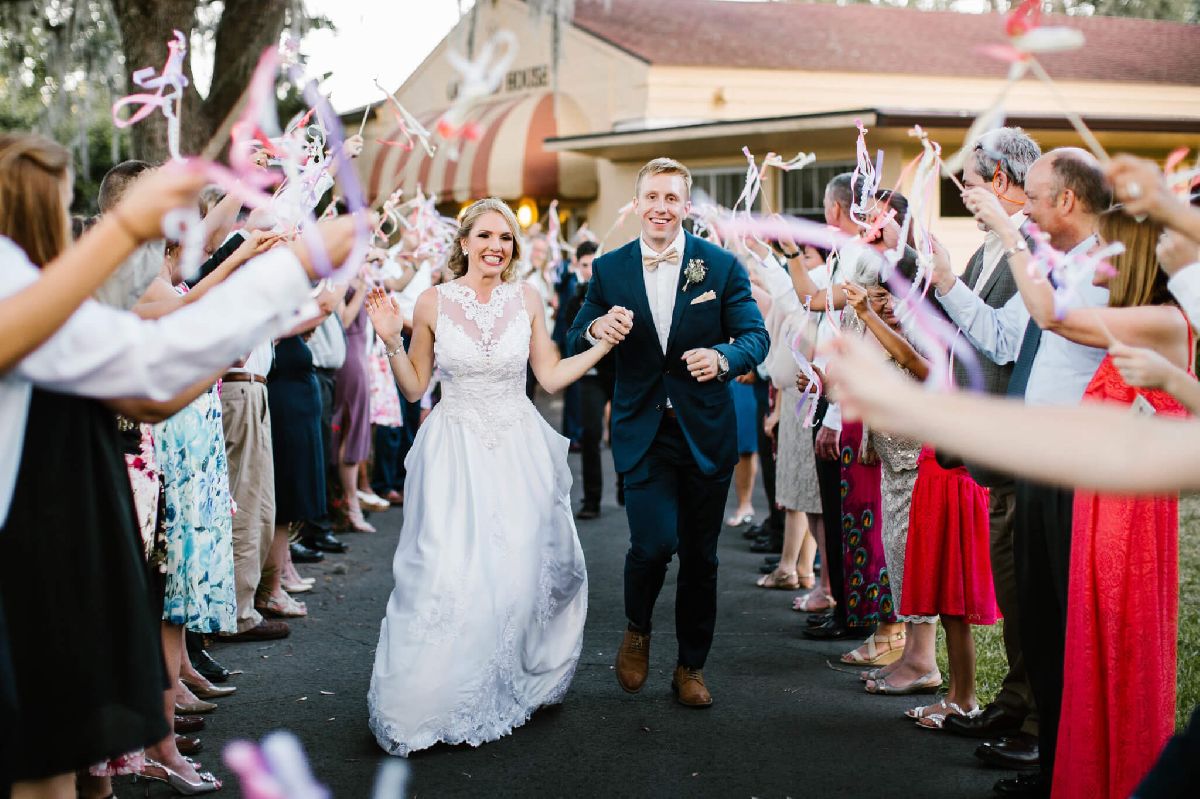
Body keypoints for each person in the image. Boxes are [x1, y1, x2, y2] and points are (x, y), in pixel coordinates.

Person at [0, 133, 356, 798]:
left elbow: (154, 382)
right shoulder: (27, 295)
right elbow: (151, 362)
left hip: (53, 541)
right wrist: (286, 268)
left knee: (45, 763)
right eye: (56, 205)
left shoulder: (50, 297)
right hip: (30, 543)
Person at [365, 198, 618, 755]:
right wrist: (390, 339)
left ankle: (507, 676)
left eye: (504, 238)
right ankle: (432, 692)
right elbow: (414, 389)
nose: (495, 246)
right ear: (464, 242)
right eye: (484, 235)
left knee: (518, 568)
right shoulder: (432, 301)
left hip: (516, 448)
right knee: (446, 568)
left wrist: (599, 347)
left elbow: (549, 376)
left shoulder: (526, 299)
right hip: (454, 451)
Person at [962, 186, 1192, 799]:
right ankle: (1069, 767)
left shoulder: (1160, 320)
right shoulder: (1144, 313)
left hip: (1122, 504)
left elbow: (1055, 316)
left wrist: (1010, 233)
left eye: (1113, 253)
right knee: (1074, 637)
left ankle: (1100, 771)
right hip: (1094, 489)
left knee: (1103, 641)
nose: (1100, 261)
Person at [931, 147, 1111, 799]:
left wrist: (1010, 235)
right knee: (1035, 612)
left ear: (1066, 201)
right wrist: (949, 276)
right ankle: (1052, 759)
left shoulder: (1102, 266)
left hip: (1068, 465)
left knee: (1058, 620)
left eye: (1033, 197)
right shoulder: (1055, 259)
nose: (1024, 208)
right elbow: (1007, 341)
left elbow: (1054, 316)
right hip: (1035, 459)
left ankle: (1060, 764)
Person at [567, 157, 769, 707]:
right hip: (643, 430)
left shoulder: (720, 266)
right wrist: (594, 327)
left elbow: (755, 335)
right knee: (653, 545)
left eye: (671, 199)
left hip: (704, 432)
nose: (660, 208)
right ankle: (637, 628)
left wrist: (724, 356)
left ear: (686, 206)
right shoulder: (610, 270)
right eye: (651, 197)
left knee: (702, 558)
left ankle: (690, 667)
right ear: (637, 204)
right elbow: (572, 333)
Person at [935, 127, 1043, 764]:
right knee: (1013, 590)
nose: (966, 197)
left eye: (971, 184)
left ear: (1001, 181)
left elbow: (1004, 341)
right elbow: (967, 335)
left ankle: (1035, 726)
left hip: (1020, 447)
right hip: (988, 446)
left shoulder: (1034, 247)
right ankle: (1015, 699)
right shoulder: (986, 252)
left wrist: (949, 284)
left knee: (1029, 590)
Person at [556, 240, 615, 519]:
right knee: (591, 435)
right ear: (577, 267)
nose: (590, 271)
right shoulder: (574, 299)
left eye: (594, 265)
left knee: (623, 430)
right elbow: (566, 338)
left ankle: (627, 486)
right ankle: (592, 499)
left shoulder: (615, 292)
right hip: (589, 376)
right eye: (584, 265)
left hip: (616, 372)